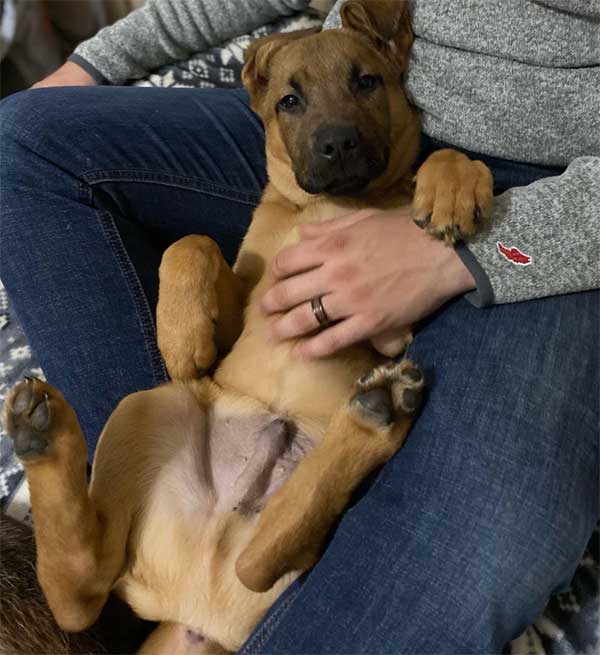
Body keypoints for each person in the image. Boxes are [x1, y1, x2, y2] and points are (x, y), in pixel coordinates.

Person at [0, 0, 598, 652]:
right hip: (311, 181)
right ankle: (136, 544)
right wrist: (92, 62)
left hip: (544, 183)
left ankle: (215, 580)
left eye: (363, 82)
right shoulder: (296, 124)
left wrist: (466, 255)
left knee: (495, 531)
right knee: (20, 142)